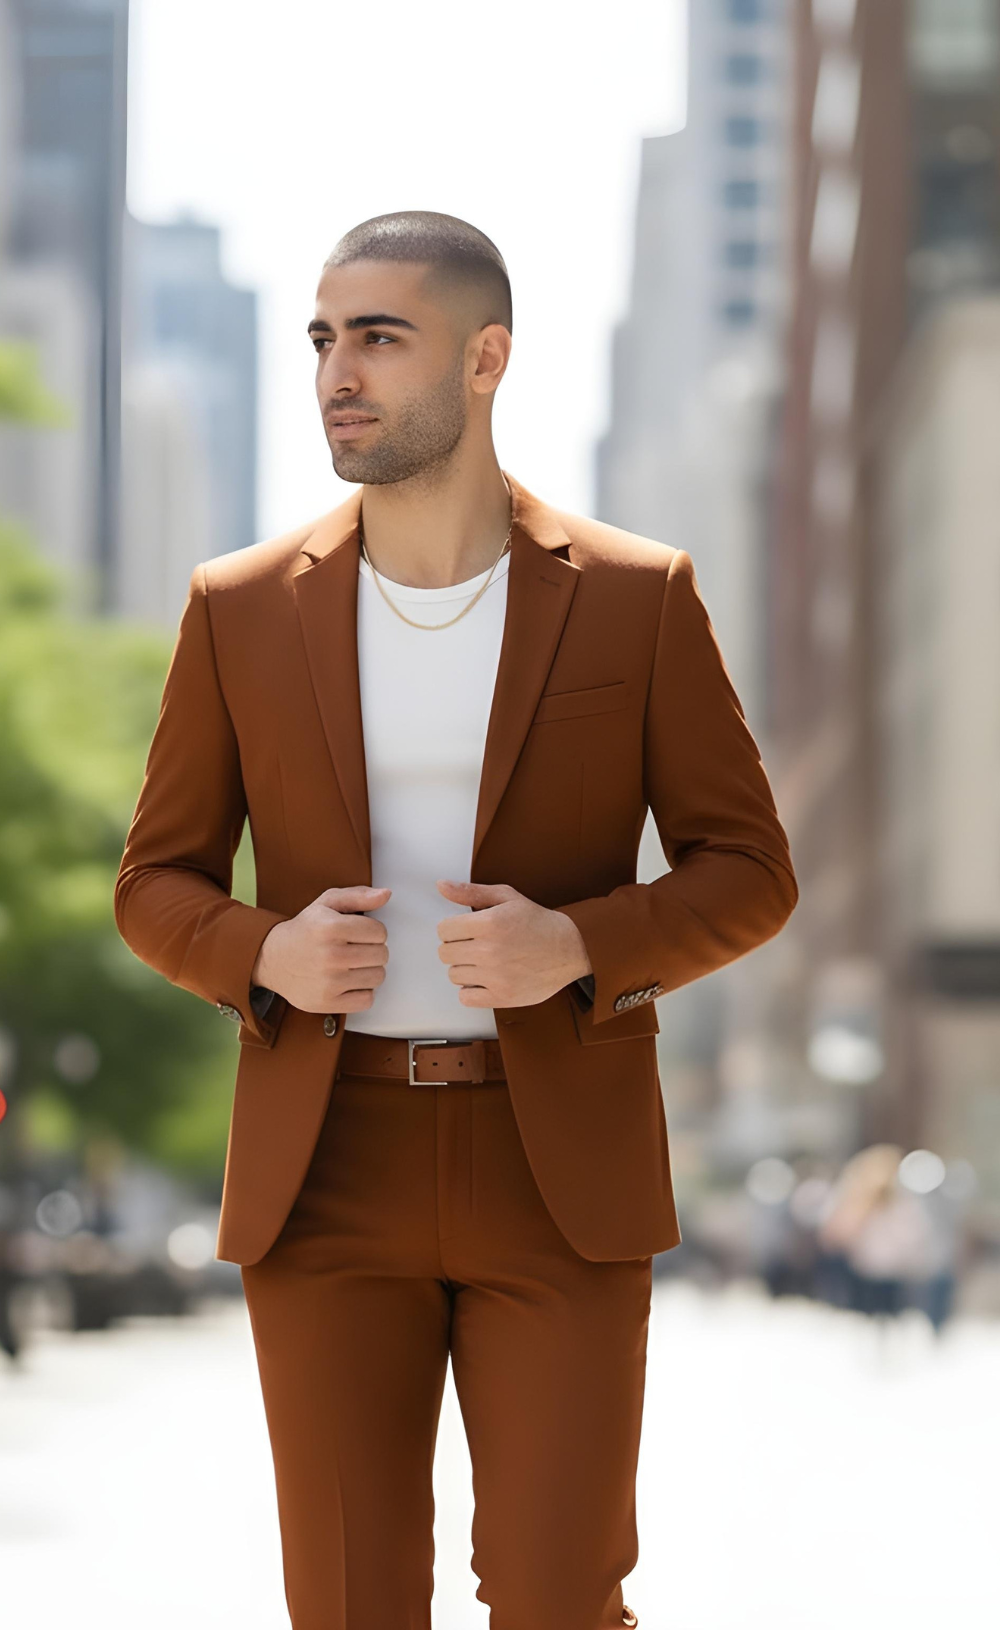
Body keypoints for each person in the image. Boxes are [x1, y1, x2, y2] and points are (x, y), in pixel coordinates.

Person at [114, 210, 798, 1630]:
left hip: (557, 1166)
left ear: (486, 359)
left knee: (558, 1597)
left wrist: (581, 945)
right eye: (323, 338)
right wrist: (267, 952)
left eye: (379, 337)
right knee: (348, 1602)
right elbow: (156, 882)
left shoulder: (635, 597)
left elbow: (748, 868)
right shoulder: (240, 608)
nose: (337, 372)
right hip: (326, 1162)